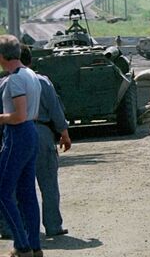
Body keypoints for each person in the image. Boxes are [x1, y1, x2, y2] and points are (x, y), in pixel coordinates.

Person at [21, 45, 72, 238]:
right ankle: (53, 226)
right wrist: (64, 133)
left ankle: (17, 227)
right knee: (48, 183)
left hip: (14, 132)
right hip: (41, 132)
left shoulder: (5, 83)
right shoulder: (42, 81)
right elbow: (55, 109)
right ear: (31, 61)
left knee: (17, 184)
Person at [0, 35, 43, 257]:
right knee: (27, 193)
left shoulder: (15, 79)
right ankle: (34, 246)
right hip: (31, 133)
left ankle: (21, 244)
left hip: (18, 134)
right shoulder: (30, 74)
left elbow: (18, 115)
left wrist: (0, 118)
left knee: (3, 192)